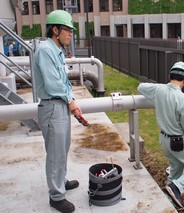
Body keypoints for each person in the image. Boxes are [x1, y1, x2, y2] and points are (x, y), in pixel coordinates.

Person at [137, 61, 184, 211]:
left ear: (170, 76)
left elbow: (140, 87)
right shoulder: (183, 98)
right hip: (178, 142)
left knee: (176, 167)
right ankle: (176, 189)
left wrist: (159, 89)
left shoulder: (159, 90)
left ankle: (169, 196)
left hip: (164, 139)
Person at [32, 10, 82, 213]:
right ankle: (56, 196)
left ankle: (61, 180)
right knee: (55, 152)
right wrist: (70, 101)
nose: (71, 35)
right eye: (68, 30)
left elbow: (63, 81)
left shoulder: (56, 51)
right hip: (52, 106)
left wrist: (73, 101)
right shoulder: (45, 50)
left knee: (63, 147)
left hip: (60, 105)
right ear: (55, 29)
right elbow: (53, 84)